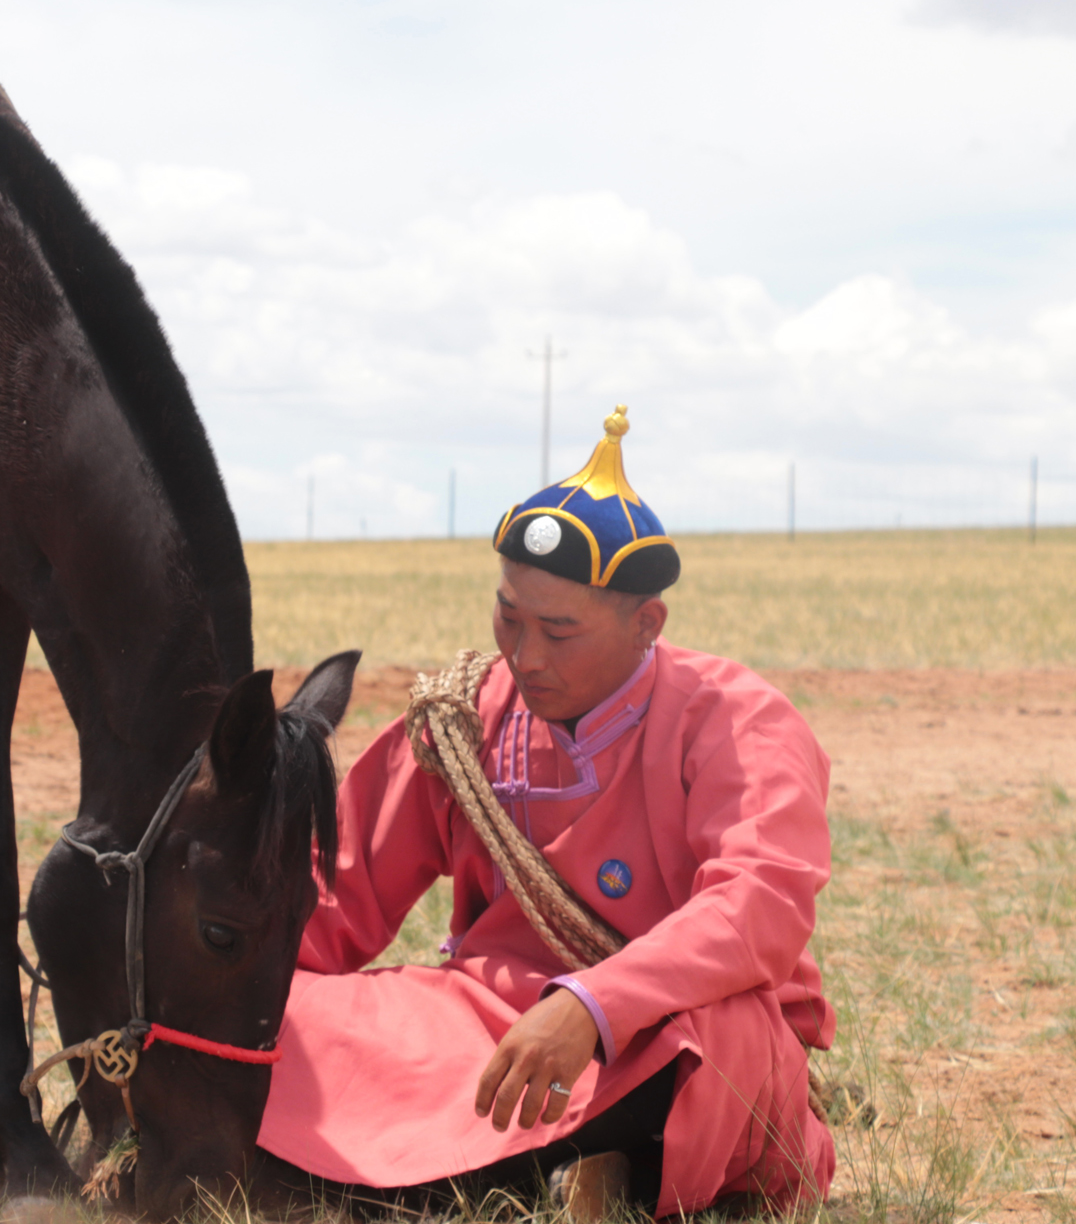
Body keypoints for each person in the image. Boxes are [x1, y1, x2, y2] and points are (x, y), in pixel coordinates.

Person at [256, 408, 836, 1218]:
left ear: (647, 624)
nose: (524, 657)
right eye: (509, 617)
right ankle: (539, 1170)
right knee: (277, 1012)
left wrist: (593, 1007)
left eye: (559, 631)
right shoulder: (463, 717)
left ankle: (569, 1166)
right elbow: (333, 897)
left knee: (718, 1044)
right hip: (482, 1024)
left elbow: (757, 908)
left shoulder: (741, 722)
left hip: (660, 1027)